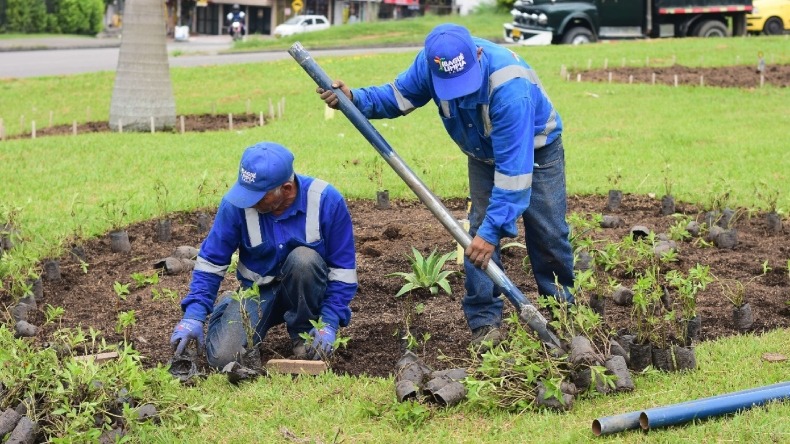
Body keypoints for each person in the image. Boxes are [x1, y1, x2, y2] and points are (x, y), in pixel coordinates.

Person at [316, 23, 574, 351]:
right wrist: (354, 99)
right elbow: (396, 98)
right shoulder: (431, 62)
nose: (460, 94)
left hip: (537, 149)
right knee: (476, 236)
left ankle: (564, 316)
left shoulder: (511, 87)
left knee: (548, 233)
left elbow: (514, 177)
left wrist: (493, 232)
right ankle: (485, 326)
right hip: (482, 154)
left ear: (477, 55)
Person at [170, 142, 358, 368]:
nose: (247, 201)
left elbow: (343, 271)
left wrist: (328, 322)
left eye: (258, 196)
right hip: (258, 293)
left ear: (286, 189)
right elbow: (211, 262)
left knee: (304, 260)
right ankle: (229, 304)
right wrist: (194, 314)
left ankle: (301, 334)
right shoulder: (236, 204)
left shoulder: (326, 201)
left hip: (306, 295)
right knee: (224, 359)